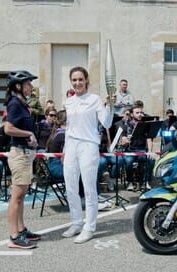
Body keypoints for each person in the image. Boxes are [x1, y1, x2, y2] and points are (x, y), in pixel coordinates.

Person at [61, 66, 113, 244]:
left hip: (88, 146)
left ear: (86, 80)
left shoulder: (94, 99)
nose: (77, 83)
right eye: (74, 80)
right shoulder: (69, 101)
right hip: (72, 146)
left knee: (89, 189)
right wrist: (65, 150)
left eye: (80, 79)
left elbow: (106, 122)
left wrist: (110, 106)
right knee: (70, 187)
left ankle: (89, 227)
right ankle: (76, 222)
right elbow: (69, 128)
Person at [4, 70, 41, 249]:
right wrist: (29, 133)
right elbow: (8, 129)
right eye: (28, 84)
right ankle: (14, 237)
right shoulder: (14, 104)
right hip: (19, 154)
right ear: (18, 86)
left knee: (21, 195)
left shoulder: (22, 103)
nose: (31, 87)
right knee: (16, 197)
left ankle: (21, 229)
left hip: (25, 154)